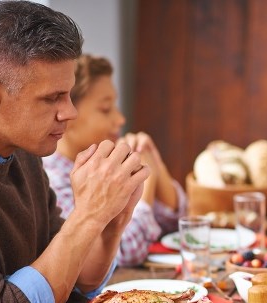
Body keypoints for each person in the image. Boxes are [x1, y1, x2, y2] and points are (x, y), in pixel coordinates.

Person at [0, 1, 149, 303]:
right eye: (52, 98)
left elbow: (68, 290)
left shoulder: (24, 155)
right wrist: (88, 216)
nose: (70, 112)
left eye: (67, 94)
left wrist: (112, 222)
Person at [43, 54, 187, 267]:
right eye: (105, 109)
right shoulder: (52, 181)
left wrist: (154, 163)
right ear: (67, 112)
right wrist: (147, 185)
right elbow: (123, 252)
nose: (120, 119)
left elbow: (177, 223)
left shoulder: (108, 163)